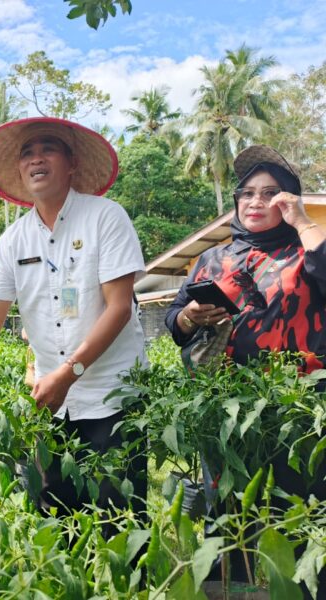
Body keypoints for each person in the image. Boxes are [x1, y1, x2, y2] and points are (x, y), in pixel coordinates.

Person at [0, 117, 148, 518]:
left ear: (71, 164)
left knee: (118, 516)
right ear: (20, 169)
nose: (36, 159)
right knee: (56, 512)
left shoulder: (105, 217)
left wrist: (68, 373)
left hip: (112, 395)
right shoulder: (14, 239)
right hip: (50, 400)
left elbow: (119, 306)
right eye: (27, 153)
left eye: (48, 149)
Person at [166, 145, 326, 595]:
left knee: (300, 510)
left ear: (289, 199)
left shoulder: (305, 250)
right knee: (225, 514)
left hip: (294, 408)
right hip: (224, 408)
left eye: (271, 193)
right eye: (248, 193)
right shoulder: (212, 259)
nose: (256, 201)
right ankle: (226, 589)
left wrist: (303, 221)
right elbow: (174, 321)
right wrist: (189, 317)